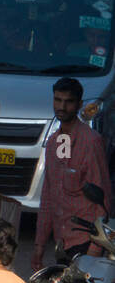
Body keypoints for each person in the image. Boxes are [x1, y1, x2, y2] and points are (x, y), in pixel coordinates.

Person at [32, 77, 113, 268]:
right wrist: (39, 245)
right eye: (57, 100)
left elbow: (103, 198)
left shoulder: (91, 142)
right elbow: (48, 197)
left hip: (86, 242)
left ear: (78, 105)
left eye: (68, 102)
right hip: (63, 242)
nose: (61, 107)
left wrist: (96, 247)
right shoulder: (53, 143)